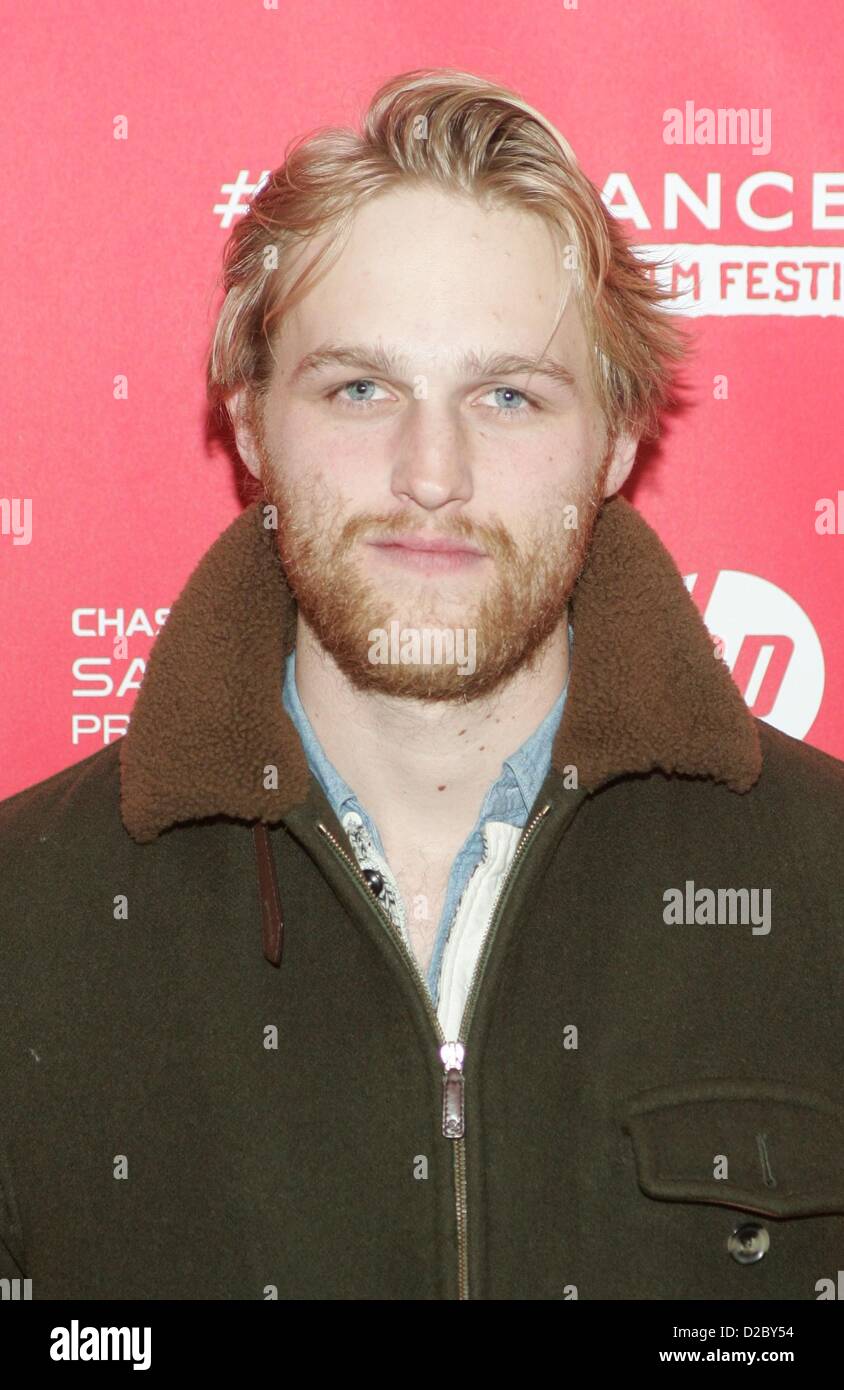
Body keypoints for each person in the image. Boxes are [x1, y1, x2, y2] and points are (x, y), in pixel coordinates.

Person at [1, 68, 842, 1303]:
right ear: (247, 424)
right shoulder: (29, 915)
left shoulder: (824, 881)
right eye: (360, 388)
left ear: (614, 438)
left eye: (506, 394)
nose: (430, 472)